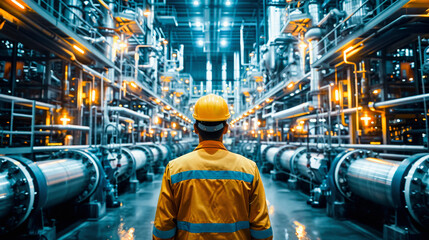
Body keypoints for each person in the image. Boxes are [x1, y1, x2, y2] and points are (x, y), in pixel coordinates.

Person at [153, 94, 273, 240]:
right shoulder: (248, 169)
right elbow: (261, 228)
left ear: (195, 128)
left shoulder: (175, 169)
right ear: (226, 129)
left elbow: (163, 227)